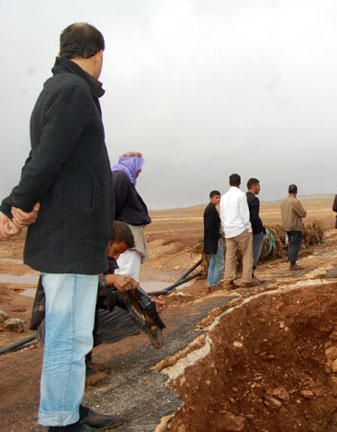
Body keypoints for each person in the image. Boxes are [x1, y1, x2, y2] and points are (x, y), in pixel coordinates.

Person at [0, 23, 125, 431]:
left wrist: (19, 202)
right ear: (98, 54)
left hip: (72, 234)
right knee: (69, 336)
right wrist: (15, 204)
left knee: (73, 334)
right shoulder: (73, 91)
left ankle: (67, 407)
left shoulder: (61, 89)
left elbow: (44, 155)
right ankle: (60, 420)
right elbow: (47, 157)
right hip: (71, 237)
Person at [31, 221, 140, 387]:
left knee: (131, 317)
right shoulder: (74, 253)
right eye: (116, 251)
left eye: (120, 254)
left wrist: (140, 304)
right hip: (54, 322)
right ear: (106, 241)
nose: (116, 257)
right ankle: (72, 368)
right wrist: (109, 280)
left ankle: (84, 360)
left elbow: (106, 296)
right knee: (80, 311)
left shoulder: (104, 258)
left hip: (80, 314)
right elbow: (71, 286)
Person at [112, 151, 151, 281]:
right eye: (138, 167)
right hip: (125, 234)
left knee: (128, 271)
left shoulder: (122, 177)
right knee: (126, 272)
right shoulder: (121, 177)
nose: (139, 171)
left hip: (127, 234)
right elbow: (114, 207)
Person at [221, 174, 258, 287]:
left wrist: (225, 227)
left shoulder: (224, 197)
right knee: (247, 254)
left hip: (229, 230)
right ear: (240, 183)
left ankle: (228, 280)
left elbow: (222, 215)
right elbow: (244, 214)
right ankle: (246, 280)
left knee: (230, 256)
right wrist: (249, 228)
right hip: (240, 229)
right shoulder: (241, 195)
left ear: (229, 183)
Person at [280, 184, 307, 270]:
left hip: (286, 226)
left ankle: (291, 262)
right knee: (295, 245)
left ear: (288, 191)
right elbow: (303, 213)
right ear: (296, 191)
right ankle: (293, 264)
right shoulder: (295, 201)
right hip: (295, 226)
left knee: (291, 244)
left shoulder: (283, 201)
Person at [203, 190, 224, 289]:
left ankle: (210, 283)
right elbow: (210, 226)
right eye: (216, 197)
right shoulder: (210, 210)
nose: (218, 199)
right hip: (215, 241)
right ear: (211, 198)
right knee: (219, 262)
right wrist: (217, 237)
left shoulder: (211, 209)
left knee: (213, 262)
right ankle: (215, 283)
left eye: (219, 197)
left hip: (212, 241)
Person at [246, 178, 265, 274]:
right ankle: (251, 274)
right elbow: (254, 217)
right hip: (255, 231)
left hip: (245, 230)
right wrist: (261, 229)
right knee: (255, 253)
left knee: (247, 254)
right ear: (253, 186)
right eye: (258, 186)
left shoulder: (244, 197)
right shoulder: (254, 199)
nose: (260, 188)